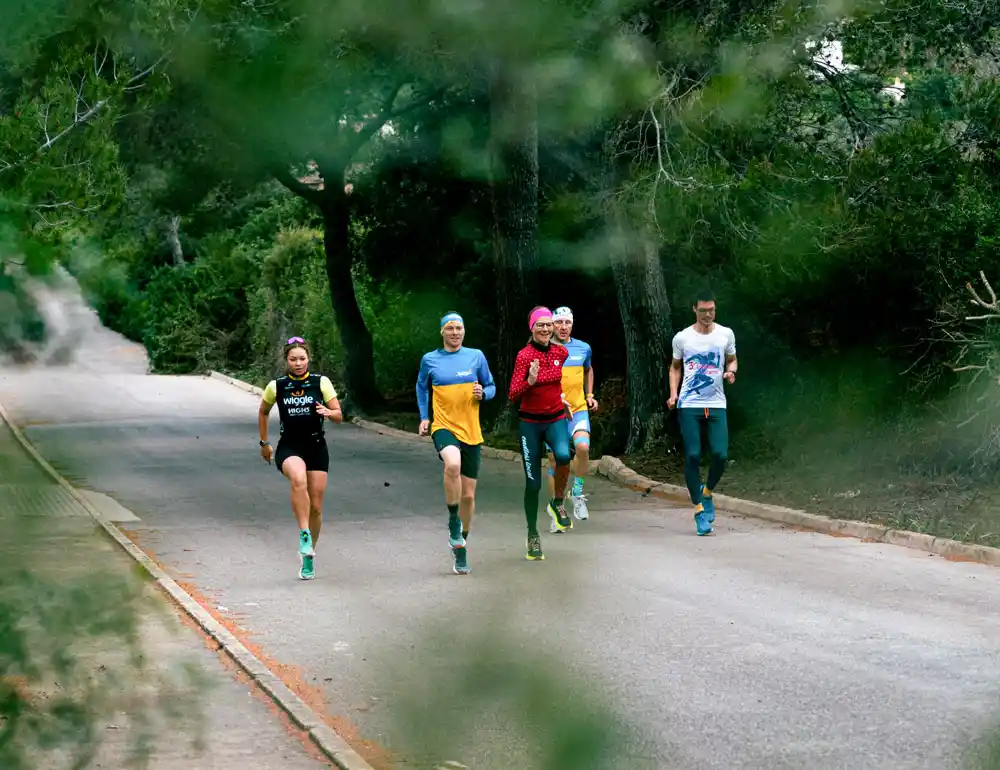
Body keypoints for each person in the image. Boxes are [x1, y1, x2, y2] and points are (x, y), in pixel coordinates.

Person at [416, 312, 497, 575]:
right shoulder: (431, 359)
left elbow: (492, 385)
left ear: (464, 331)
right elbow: (421, 387)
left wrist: (483, 393)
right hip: (444, 426)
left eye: (459, 328)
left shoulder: (476, 356)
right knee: (452, 464)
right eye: (450, 328)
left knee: (469, 496)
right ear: (442, 332)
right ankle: (453, 520)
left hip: (471, 430)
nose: (454, 332)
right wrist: (425, 417)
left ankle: (461, 546)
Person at [258, 337, 343, 579]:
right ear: (286, 360)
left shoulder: (321, 382)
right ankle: (304, 533)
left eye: (302, 359)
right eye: (293, 359)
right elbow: (263, 411)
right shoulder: (277, 386)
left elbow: (339, 414)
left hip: (316, 447)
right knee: (298, 479)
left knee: (316, 507)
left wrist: (329, 412)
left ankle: (308, 555)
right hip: (289, 447)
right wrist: (264, 443)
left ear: (309, 359)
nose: (298, 363)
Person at [667, 292, 737, 536]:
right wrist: (673, 394)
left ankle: (707, 493)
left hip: (717, 403)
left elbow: (732, 360)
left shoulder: (725, 334)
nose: (708, 315)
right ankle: (698, 510)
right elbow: (675, 367)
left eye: (712, 310)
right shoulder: (683, 338)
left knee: (720, 454)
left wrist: (731, 372)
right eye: (703, 310)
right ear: (694, 309)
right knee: (693, 455)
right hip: (689, 403)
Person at [509, 306, 574, 561]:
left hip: (556, 417)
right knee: (533, 484)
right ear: (532, 328)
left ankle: (557, 502)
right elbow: (513, 393)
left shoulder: (561, 351)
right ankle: (532, 534)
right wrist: (530, 382)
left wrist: (563, 400)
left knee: (563, 456)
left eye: (549, 325)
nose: (546, 329)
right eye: (541, 325)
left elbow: (557, 383)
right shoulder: (524, 356)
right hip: (530, 424)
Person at [545, 305, 598, 524]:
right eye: (559, 322)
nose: (563, 327)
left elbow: (588, 369)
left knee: (583, 448)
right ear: (552, 325)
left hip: (577, 410)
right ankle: (557, 509)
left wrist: (589, 394)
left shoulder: (583, 348)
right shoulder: (544, 349)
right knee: (555, 463)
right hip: (553, 414)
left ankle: (576, 492)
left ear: (572, 324)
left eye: (567, 322)